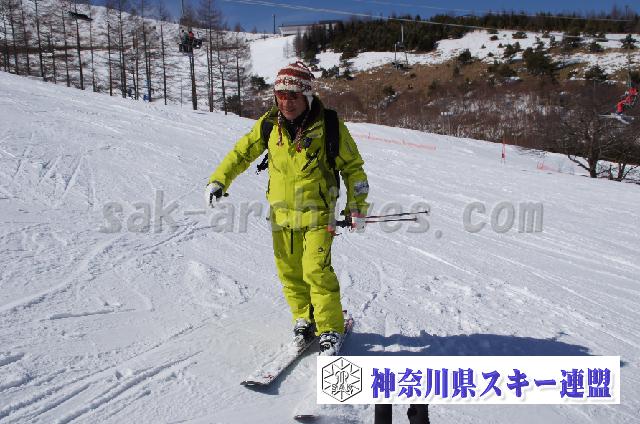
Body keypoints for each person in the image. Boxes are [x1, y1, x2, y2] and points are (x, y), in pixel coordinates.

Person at [204, 62, 369, 355]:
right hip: (281, 215)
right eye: (281, 95)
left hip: (318, 215)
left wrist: (356, 206)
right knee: (289, 272)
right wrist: (219, 180)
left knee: (316, 270)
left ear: (307, 96)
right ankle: (304, 318)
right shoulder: (269, 124)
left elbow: (353, 168)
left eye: (293, 95)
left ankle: (330, 327)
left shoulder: (329, 125)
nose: (286, 102)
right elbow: (241, 153)